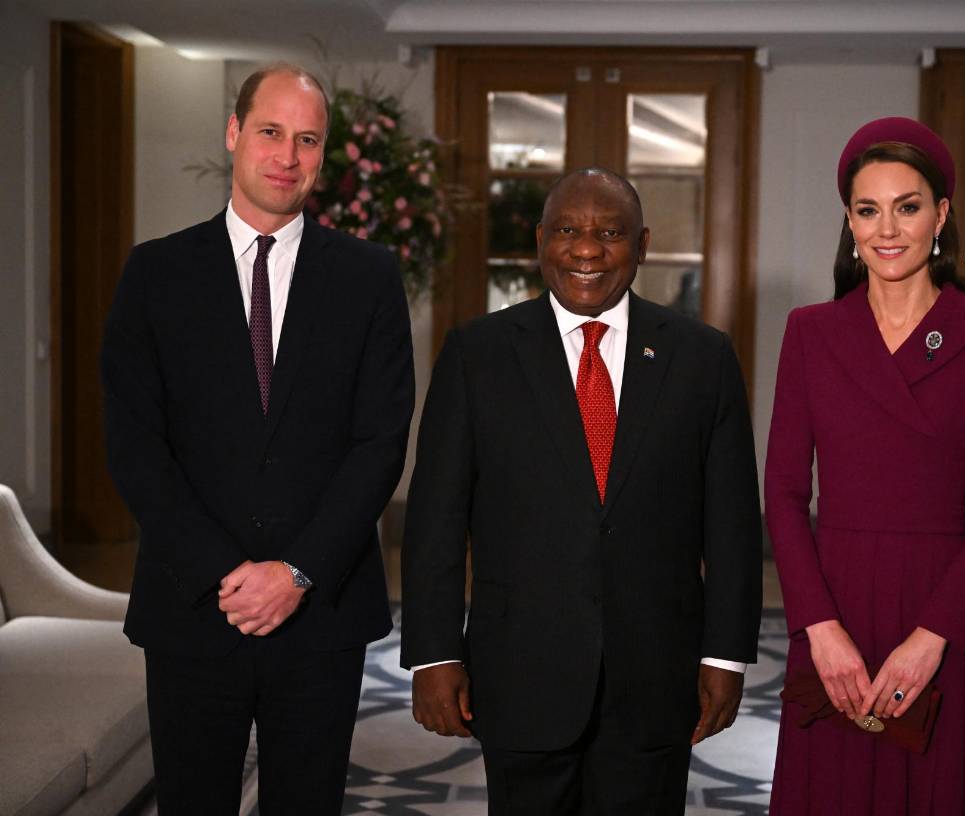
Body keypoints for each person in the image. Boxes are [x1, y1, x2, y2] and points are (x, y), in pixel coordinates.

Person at [102, 64, 415, 815]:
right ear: (235, 134)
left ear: (324, 154)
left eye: (308, 140)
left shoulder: (370, 277)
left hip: (322, 612)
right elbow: (135, 446)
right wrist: (227, 574)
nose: (288, 155)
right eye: (271, 131)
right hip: (191, 607)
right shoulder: (155, 274)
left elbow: (380, 442)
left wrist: (297, 571)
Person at [400, 167, 762, 815]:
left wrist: (726, 657)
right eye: (567, 229)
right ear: (541, 239)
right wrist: (432, 655)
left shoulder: (702, 359)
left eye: (609, 232)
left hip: (656, 674)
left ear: (643, 243)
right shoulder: (477, 354)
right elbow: (435, 520)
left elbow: (732, 524)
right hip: (519, 671)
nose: (587, 248)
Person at [765, 117, 965, 814]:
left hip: (944, 607)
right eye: (868, 209)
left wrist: (934, 636)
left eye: (907, 207)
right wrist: (817, 628)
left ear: (941, 215)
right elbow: (785, 494)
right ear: (849, 222)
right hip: (835, 605)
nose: (888, 229)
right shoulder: (811, 333)